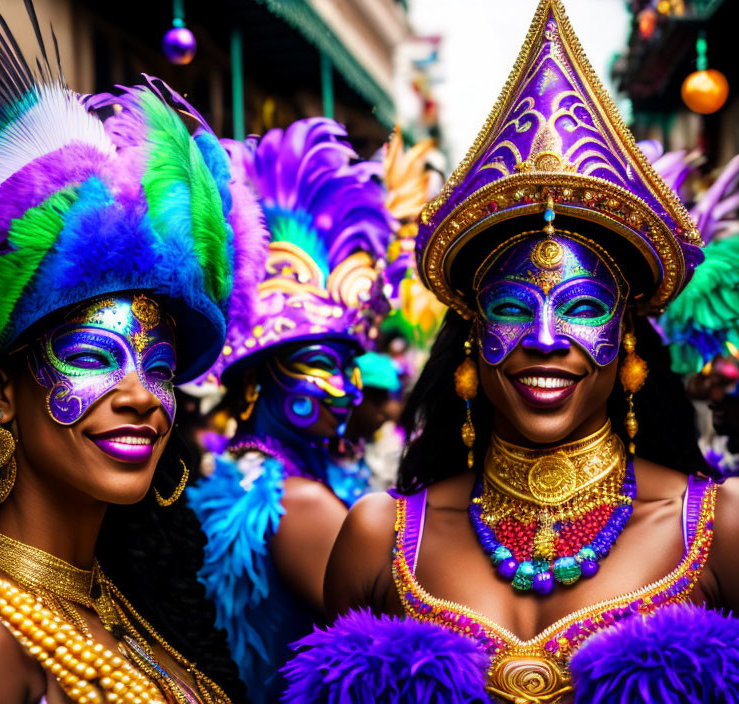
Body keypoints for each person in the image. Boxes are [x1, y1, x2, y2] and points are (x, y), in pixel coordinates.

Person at [283, 1, 739, 702]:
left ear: (625, 341)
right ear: (470, 340)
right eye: (510, 309)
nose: (546, 339)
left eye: (582, 308)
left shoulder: (718, 527)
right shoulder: (380, 536)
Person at [0, 1, 251, 701]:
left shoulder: (122, 607)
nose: (141, 397)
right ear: (1, 388)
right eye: (94, 357)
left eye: (159, 368)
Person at [185, 117, 394, 702]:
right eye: (324, 365)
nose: (350, 389)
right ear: (253, 383)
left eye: (351, 367)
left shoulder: (256, 480)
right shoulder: (296, 503)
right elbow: (405, 647)